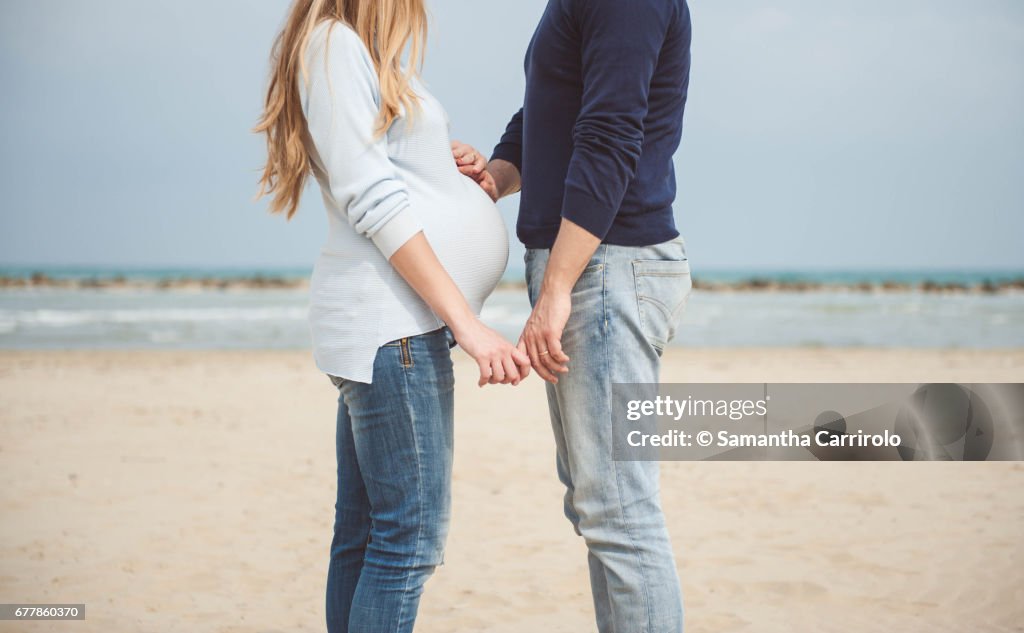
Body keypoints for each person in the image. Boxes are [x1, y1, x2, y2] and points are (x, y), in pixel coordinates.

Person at [254, 1, 529, 631]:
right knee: (409, 543)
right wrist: (468, 324)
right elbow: (371, 199)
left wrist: (441, 162)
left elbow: (388, 173)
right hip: (395, 329)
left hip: (389, 330)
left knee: (364, 533)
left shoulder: (351, 53)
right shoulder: (334, 46)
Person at [470, 0, 694, 631]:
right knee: (599, 507)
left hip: (606, 265)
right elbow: (547, 113)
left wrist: (558, 288)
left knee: (618, 512)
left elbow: (611, 135)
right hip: (592, 264)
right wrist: (495, 175)